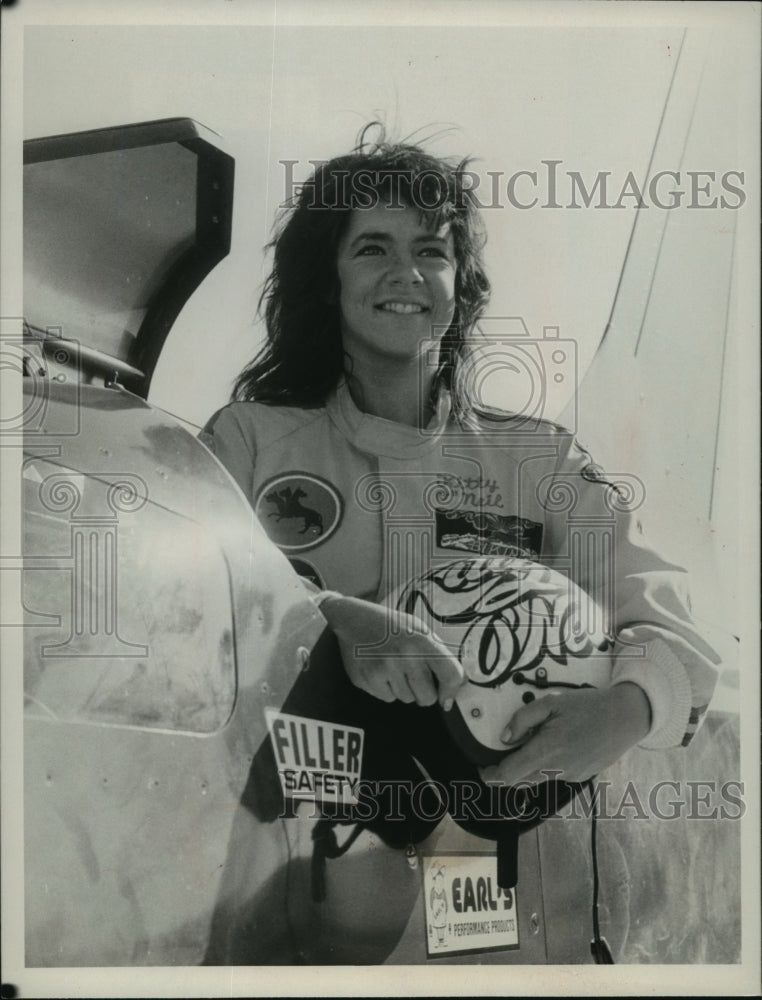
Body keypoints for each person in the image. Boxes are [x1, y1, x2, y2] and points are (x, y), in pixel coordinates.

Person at [200, 125, 719, 792]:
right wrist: (331, 614)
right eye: (371, 248)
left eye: (430, 250)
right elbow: (186, 596)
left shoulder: (542, 462)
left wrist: (626, 710)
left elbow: (663, 613)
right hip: (283, 810)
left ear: (460, 282)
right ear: (327, 280)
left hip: (495, 834)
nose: (405, 273)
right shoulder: (248, 441)